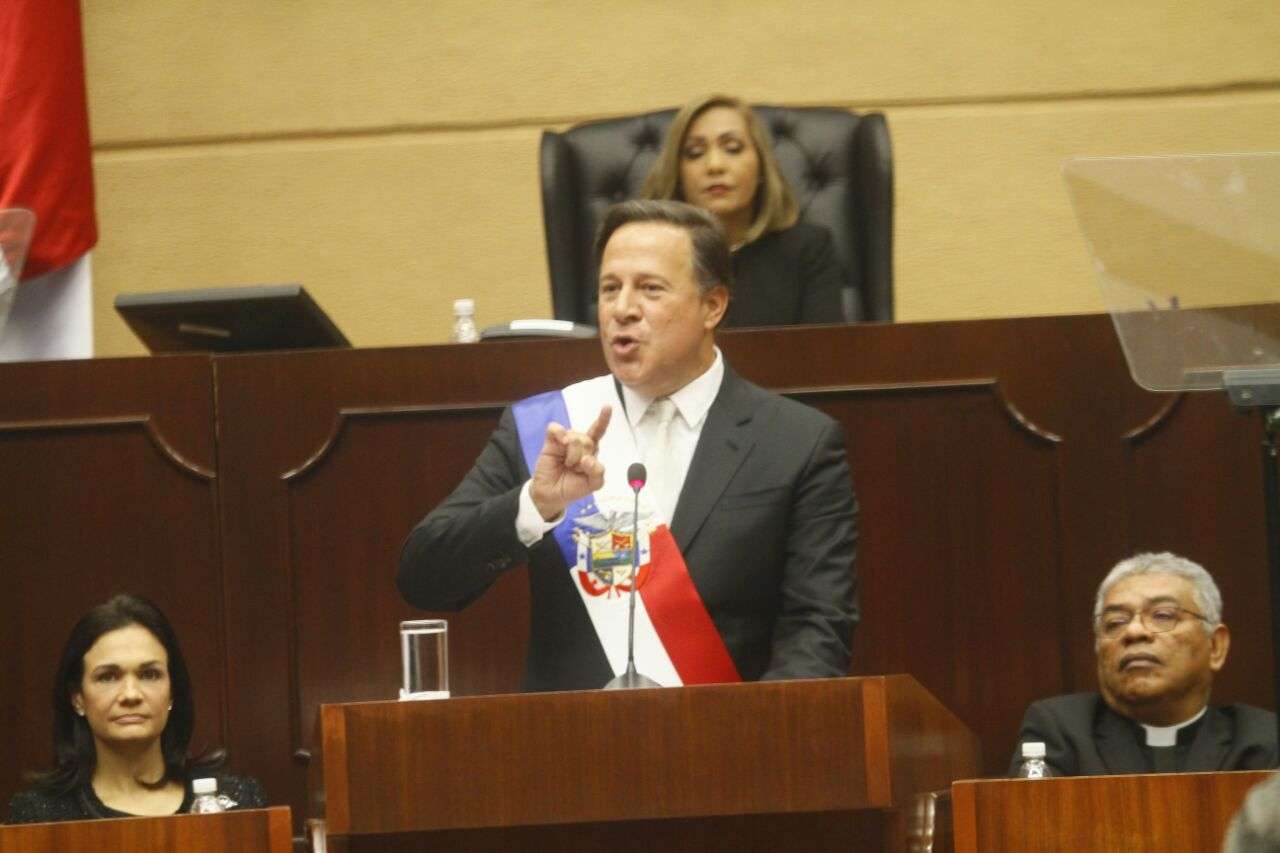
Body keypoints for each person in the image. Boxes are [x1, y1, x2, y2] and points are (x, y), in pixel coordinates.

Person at [398, 199, 858, 692]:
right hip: (571, 750)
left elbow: (818, 628)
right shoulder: (547, 428)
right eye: (610, 289)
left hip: (731, 752)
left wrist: (753, 740)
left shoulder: (797, 442)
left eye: (650, 289)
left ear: (713, 306)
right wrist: (536, 505)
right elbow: (425, 578)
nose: (622, 310)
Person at [1008, 552, 1278, 777]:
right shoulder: (1062, 733)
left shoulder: (1261, 740)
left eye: (1162, 615)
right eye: (1115, 623)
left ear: (1216, 646)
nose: (1134, 632)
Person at [5, 594, 264, 823]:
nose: (131, 695)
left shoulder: (237, 803)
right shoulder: (39, 814)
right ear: (78, 698)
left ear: (172, 691)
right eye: (107, 677)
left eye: (149, 674)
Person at [640, 93, 848, 327]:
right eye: (695, 153)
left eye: (733, 148)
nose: (715, 166)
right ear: (678, 176)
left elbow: (826, 356)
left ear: (761, 168)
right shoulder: (650, 257)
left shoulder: (809, 250)